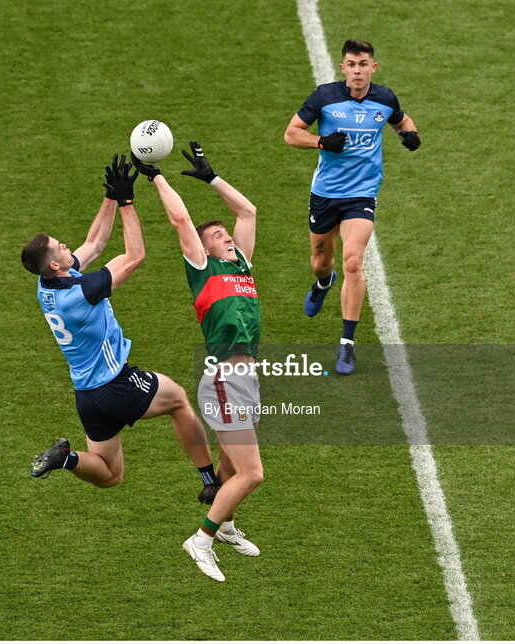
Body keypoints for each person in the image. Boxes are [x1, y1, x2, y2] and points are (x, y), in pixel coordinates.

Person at [22, 155, 219, 503]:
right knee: (178, 400)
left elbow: (95, 243)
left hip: (87, 397)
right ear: (53, 263)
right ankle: (209, 480)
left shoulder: (47, 285)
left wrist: (111, 196)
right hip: (116, 385)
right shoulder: (81, 292)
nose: (66, 244)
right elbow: (134, 256)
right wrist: (127, 203)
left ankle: (66, 459)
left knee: (110, 475)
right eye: (59, 246)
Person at [133, 143, 263, 583]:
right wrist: (157, 176)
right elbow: (181, 221)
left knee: (230, 466)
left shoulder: (242, 266)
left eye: (226, 234)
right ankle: (201, 539)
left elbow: (248, 212)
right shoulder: (204, 270)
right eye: (218, 236)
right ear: (203, 250)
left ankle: (225, 525)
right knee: (252, 474)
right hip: (225, 379)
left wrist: (212, 178)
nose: (227, 237)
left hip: (247, 377)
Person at [284, 39, 421, 375]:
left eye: (363, 64)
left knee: (353, 262)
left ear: (373, 67)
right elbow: (291, 133)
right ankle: (322, 284)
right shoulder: (324, 97)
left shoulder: (385, 98)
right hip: (325, 194)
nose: (357, 71)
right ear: (343, 68)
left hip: (362, 194)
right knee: (321, 262)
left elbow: (401, 120)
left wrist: (411, 135)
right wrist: (321, 141)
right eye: (351, 64)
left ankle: (347, 345)